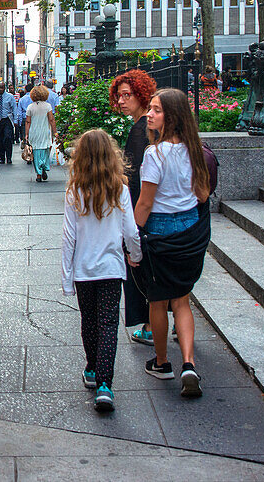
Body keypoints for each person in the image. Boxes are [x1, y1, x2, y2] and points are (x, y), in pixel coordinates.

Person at [134, 88, 211, 399]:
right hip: (190, 230)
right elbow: (203, 194)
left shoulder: (155, 155)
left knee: (157, 301)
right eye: (150, 109)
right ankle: (189, 363)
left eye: (156, 110)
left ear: (172, 117)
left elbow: (145, 203)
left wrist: (130, 236)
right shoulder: (196, 151)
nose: (149, 115)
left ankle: (163, 362)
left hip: (161, 233)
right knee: (182, 300)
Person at [61, 129, 142, 412]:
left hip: (84, 270)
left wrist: (67, 277)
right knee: (108, 324)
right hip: (111, 268)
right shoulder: (120, 188)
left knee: (89, 320)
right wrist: (135, 255)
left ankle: (92, 369)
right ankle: (106, 385)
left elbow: (68, 238)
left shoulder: (75, 191)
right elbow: (130, 231)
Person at [109, 69, 157, 344]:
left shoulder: (141, 130)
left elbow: (137, 178)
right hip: (147, 209)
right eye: (119, 96)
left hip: (143, 210)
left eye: (127, 95)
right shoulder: (142, 126)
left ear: (141, 94)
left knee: (143, 272)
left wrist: (134, 220)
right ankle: (159, 323)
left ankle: (151, 326)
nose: (122, 101)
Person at [24, 85, 57, 181]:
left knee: (35, 152)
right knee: (45, 150)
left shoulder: (30, 107)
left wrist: (26, 134)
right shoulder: (48, 106)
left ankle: (38, 174)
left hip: (34, 132)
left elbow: (28, 122)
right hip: (45, 131)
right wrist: (55, 132)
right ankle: (44, 167)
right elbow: (51, 120)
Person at [0, 82, 19, 163]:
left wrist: (15, 120)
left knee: (7, 138)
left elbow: (14, 109)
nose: (0, 90)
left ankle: (9, 157)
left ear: (5, 88)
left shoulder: (10, 97)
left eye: (2, 88)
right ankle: (2, 157)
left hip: (6, 119)